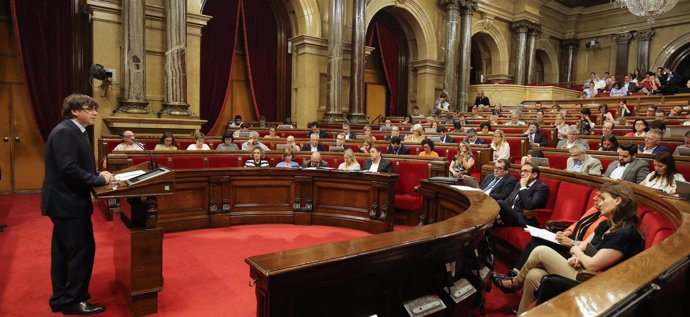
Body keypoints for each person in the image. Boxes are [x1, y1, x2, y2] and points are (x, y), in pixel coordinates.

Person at [493, 184, 644, 315]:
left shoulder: (626, 233)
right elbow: (582, 246)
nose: (599, 203)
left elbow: (593, 264)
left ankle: (514, 282)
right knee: (534, 274)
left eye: (603, 199)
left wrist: (577, 253)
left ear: (618, 201)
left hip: (597, 283)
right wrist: (578, 255)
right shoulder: (606, 224)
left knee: (541, 251)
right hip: (584, 270)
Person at [42, 94, 113, 314]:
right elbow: (68, 168)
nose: (94, 113)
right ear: (74, 111)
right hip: (67, 202)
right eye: (89, 109)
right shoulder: (65, 132)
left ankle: (62, 298)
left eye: (95, 109)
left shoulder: (75, 131)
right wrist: (97, 180)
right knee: (80, 251)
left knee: (65, 251)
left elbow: (77, 163)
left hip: (68, 201)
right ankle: (74, 301)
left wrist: (95, 173)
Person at [501, 193, 607, 278]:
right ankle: (516, 272)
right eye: (596, 195)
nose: (594, 198)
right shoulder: (594, 210)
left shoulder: (606, 220)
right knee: (537, 238)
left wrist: (571, 242)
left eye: (600, 197)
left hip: (576, 249)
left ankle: (516, 277)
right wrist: (566, 232)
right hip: (571, 241)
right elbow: (577, 224)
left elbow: (590, 245)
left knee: (539, 247)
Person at [495, 162, 549, 227]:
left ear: (534, 174)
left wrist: (523, 187)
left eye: (525, 171)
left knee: (500, 202)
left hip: (523, 218)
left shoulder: (541, 187)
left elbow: (530, 205)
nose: (522, 174)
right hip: (510, 214)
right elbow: (509, 200)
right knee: (493, 210)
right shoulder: (519, 184)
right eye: (521, 171)